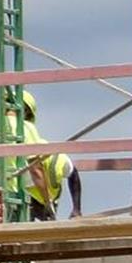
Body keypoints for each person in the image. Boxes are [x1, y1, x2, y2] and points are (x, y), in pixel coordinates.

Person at [17, 92, 83, 221]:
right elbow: (36, 171)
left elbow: (73, 175)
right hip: (29, 198)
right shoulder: (24, 163)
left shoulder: (57, 160)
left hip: (44, 198)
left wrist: (76, 208)